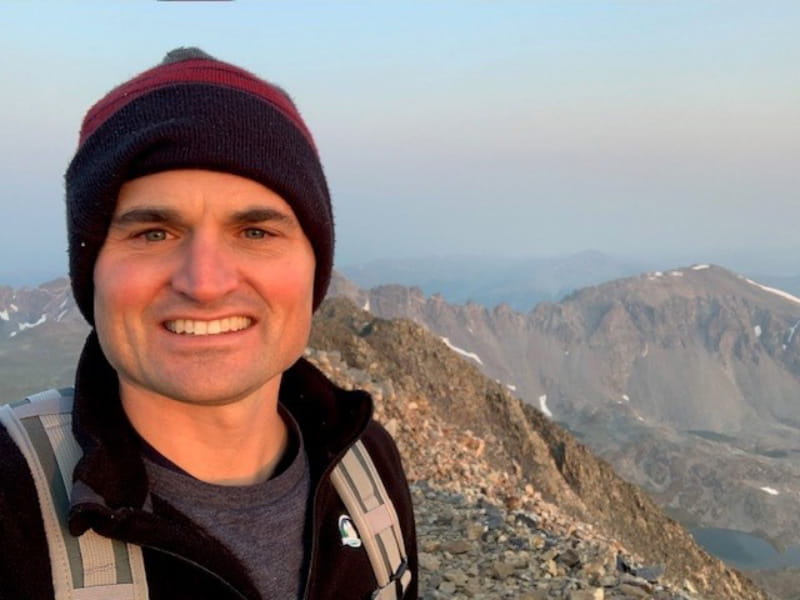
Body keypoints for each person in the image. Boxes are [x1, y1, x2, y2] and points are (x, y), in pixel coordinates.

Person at [0, 48, 417, 600]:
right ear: (91, 271)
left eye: (255, 232)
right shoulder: (9, 498)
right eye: (153, 233)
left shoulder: (368, 468)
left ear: (315, 267)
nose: (204, 282)